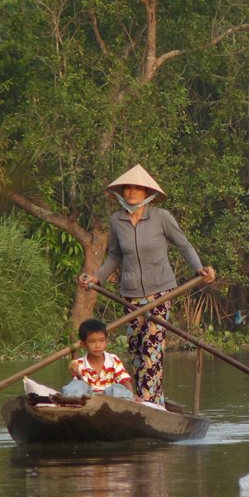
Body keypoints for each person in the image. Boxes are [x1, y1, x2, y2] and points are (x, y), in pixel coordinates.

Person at [79, 164, 215, 405]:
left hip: (160, 293)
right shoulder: (117, 220)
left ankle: (149, 402)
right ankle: (145, 399)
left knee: (152, 348)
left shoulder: (161, 217)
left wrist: (199, 268)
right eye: (128, 188)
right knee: (137, 351)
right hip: (130, 295)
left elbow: (183, 245)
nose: (132, 192)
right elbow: (115, 256)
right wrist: (97, 277)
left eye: (137, 188)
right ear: (122, 192)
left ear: (147, 193)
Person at [62, 318, 134, 400]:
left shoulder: (113, 359)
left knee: (116, 388)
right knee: (75, 386)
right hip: (88, 399)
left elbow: (124, 380)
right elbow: (81, 387)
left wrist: (131, 395)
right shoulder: (79, 364)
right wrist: (78, 375)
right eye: (92, 342)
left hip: (111, 400)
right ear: (83, 344)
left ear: (106, 342)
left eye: (102, 341)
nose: (98, 346)